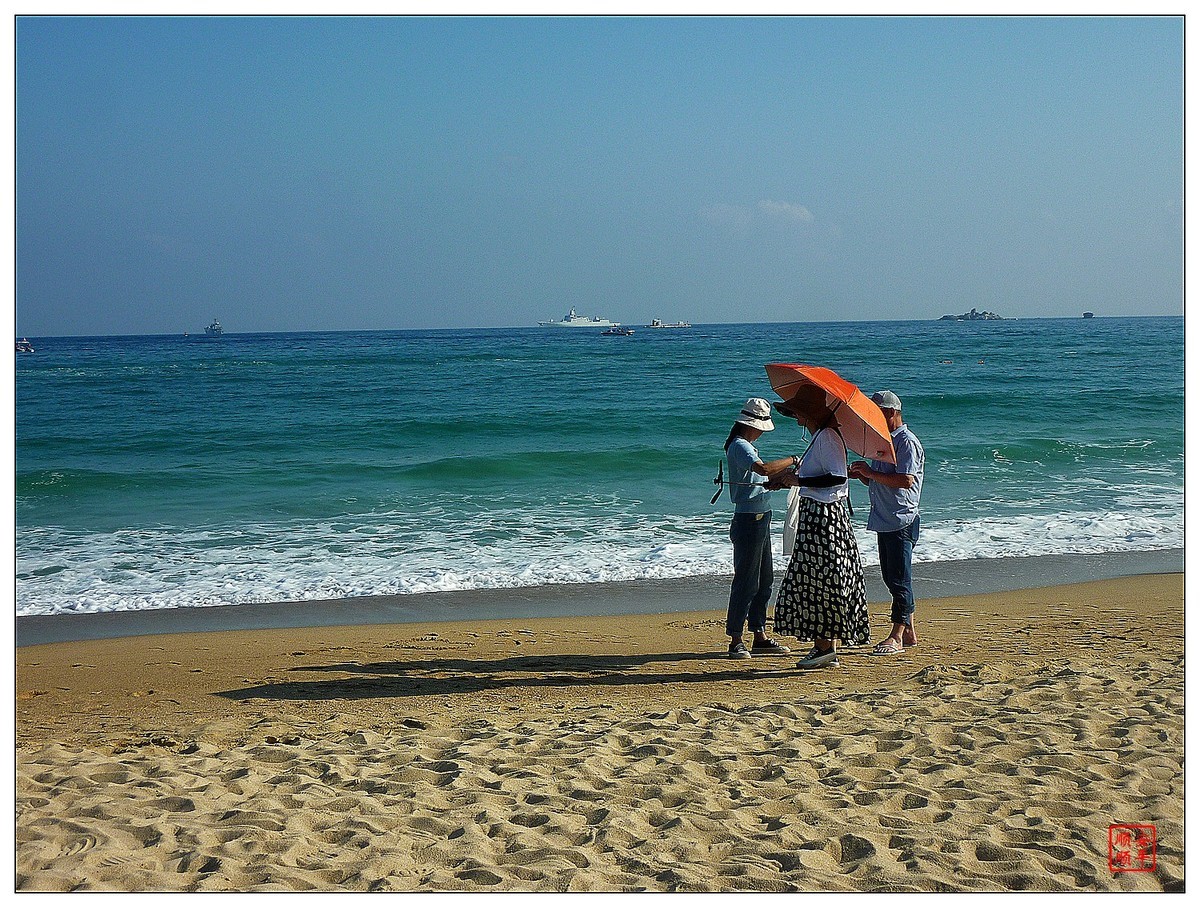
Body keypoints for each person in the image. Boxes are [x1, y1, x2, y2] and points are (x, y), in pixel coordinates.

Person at [767, 387, 870, 669]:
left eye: (799, 411)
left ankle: (824, 647)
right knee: (824, 579)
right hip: (821, 516)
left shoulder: (826, 437)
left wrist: (797, 481)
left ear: (809, 413)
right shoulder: (822, 436)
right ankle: (827, 647)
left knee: (820, 580)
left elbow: (835, 478)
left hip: (823, 519)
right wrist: (789, 478)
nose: (796, 416)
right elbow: (821, 475)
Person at [849, 390, 925, 656]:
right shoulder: (884, 441)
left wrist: (870, 473)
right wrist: (863, 475)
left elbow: (906, 480)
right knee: (893, 577)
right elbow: (881, 479)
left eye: (877, 413)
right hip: (885, 517)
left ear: (891, 412)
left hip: (900, 519)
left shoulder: (906, 442)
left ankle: (897, 635)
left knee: (899, 580)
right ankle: (910, 631)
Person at [722, 397, 798, 660]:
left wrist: (778, 481)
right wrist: (792, 459)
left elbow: (760, 477)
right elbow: (763, 468)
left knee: (764, 580)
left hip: (760, 515)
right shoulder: (741, 446)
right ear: (752, 425)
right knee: (746, 581)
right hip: (749, 520)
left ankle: (759, 634)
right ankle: (735, 639)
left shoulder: (745, 446)